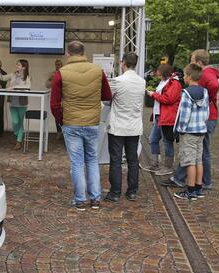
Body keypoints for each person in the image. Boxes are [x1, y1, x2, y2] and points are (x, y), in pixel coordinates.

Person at [50, 41, 112, 211]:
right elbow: (107, 95)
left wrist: (62, 120)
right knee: (92, 160)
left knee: (77, 162)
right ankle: (95, 199)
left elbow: (54, 104)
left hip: (71, 122)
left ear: (68, 54)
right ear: (84, 52)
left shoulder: (61, 73)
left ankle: (80, 200)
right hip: (92, 122)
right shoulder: (98, 70)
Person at [162, 49, 219, 189]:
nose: (191, 63)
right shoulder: (205, 75)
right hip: (203, 119)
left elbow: (214, 85)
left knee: (197, 153)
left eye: (192, 60)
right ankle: (185, 179)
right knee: (194, 153)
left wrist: (208, 99)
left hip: (199, 121)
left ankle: (201, 182)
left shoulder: (206, 74)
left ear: (199, 62)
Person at [105, 52, 146, 203]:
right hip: (134, 126)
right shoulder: (142, 82)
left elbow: (108, 99)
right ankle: (132, 191)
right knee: (133, 160)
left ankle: (115, 193)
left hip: (118, 126)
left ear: (123, 63)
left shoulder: (117, 81)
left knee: (115, 160)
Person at [173, 64, 210, 200]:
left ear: (188, 77)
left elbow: (184, 115)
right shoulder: (205, 92)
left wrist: (180, 130)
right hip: (201, 130)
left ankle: (190, 190)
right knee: (198, 160)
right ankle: (199, 187)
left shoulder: (186, 93)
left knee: (189, 162)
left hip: (189, 132)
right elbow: (207, 112)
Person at [144, 64, 182, 175]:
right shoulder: (164, 82)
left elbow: (168, 99)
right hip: (159, 116)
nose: (157, 72)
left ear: (163, 72)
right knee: (153, 139)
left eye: (159, 71)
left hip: (167, 116)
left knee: (167, 141)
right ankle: (154, 164)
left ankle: (168, 166)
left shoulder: (174, 83)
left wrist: (153, 95)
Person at [0, 59, 31, 150]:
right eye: (17, 65)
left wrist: (14, 87)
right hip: (12, 102)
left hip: (22, 103)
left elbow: (27, 87)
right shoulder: (12, 75)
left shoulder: (27, 77)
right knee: (15, 122)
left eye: (19, 65)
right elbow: (2, 78)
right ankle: (17, 135)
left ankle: (19, 141)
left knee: (20, 122)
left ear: (24, 67)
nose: (17, 66)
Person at [46, 59, 64, 140]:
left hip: (65, 98)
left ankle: (66, 132)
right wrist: (51, 79)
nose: (58, 66)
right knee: (57, 116)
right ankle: (59, 132)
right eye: (56, 64)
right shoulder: (53, 74)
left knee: (66, 116)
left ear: (62, 65)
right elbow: (47, 85)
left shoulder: (65, 73)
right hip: (56, 97)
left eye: (59, 64)